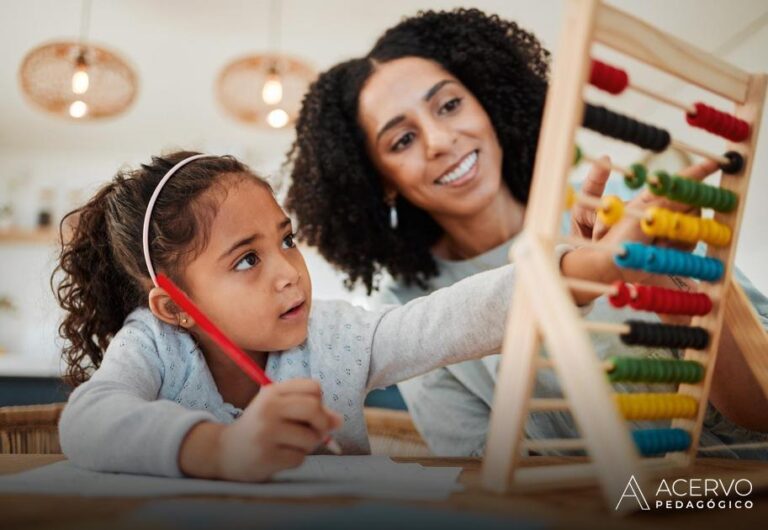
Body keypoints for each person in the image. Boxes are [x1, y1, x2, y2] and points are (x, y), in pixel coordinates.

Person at [285, 8, 768, 457]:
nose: (441, 141)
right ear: (380, 182)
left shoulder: (625, 201)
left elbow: (761, 410)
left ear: (488, 103)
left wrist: (664, 279)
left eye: (449, 105)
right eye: (403, 140)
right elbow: (482, 472)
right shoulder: (406, 309)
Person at [52, 150, 631, 481]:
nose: (287, 271)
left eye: (287, 240)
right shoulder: (153, 345)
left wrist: (572, 272)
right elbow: (88, 422)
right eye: (247, 259)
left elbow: (448, 318)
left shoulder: (336, 337)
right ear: (175, 307)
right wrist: (221, 450)